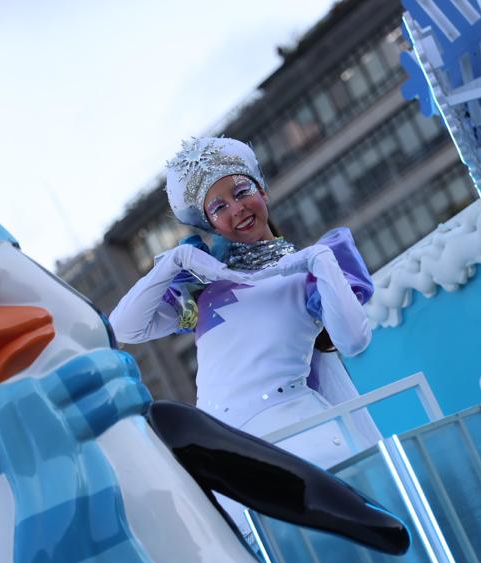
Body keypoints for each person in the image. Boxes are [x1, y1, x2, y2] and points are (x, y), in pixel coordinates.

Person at [109, 137, 380, 527]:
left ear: (262, 191)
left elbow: (354, 341)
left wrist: (320, 261)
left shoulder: (308, 269)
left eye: (241, 192)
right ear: (210, 223)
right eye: (219, 207)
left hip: (301, 439)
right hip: (224, 458)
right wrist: (172, 263)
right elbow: (122, 328)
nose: (237, 209)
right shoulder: (202, 287)